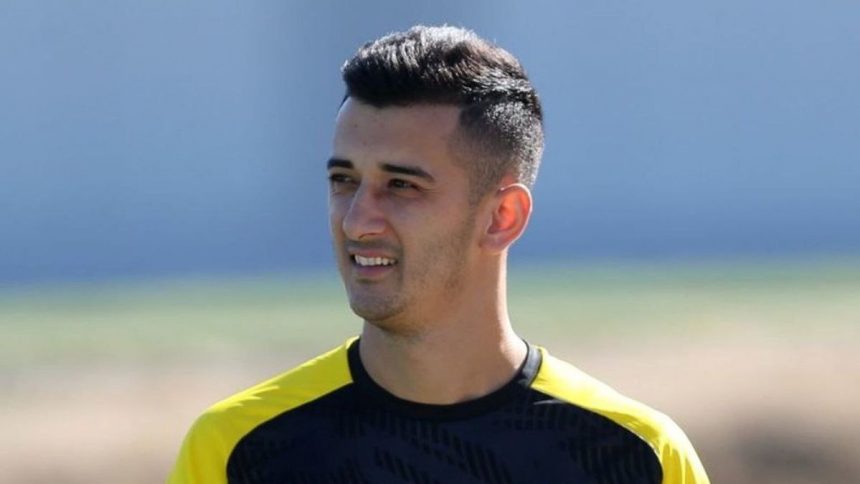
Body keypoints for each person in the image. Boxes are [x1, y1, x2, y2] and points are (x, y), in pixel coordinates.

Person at [168, 25, 710, 483]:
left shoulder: (638, 458)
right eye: (344, 180)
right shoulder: (236, 450)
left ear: (503, 217)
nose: (357, 220)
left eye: (401, 186)